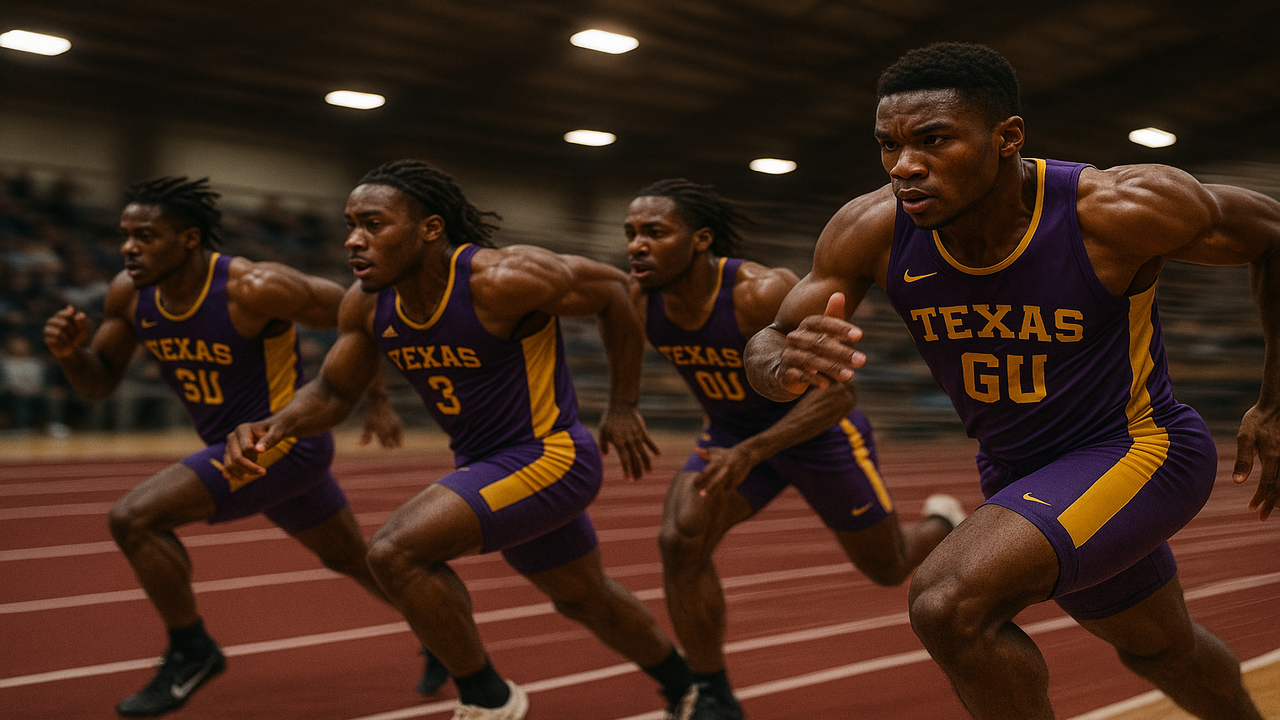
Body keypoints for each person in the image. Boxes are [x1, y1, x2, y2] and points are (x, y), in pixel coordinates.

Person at [743, 41, 1278, 720]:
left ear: (1006, 138)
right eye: (889, 145)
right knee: (1159, 649)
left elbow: (1271, 235)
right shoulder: (870, 229)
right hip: (1017, 471)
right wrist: (780, 367)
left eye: (933, 140)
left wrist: (1275, 401)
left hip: (1140, 449)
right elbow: (769, 342)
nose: (905, 166)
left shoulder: (1113, 208)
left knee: (947, 603)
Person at [222, 159, 695, 720]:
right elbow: (330, 393)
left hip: (551, 455)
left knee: (395, 551)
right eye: (351, 223)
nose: (354, 239)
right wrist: (275, 425)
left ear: (429, 229)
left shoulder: (502, 279)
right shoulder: (368, 303)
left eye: (374, 224)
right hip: (487, 464)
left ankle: (488, 698)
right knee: (582, 598)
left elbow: (615, 292)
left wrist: (622, 405)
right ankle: (686, 685)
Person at [43, 176, 417, 718]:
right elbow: (98, 383)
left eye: (146, 236)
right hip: (238, 451)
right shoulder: (129, 293)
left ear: (189, 239)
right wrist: (69, 354)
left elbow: (360, 314)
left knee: (134, 519)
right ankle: (441, 634)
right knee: (350, 559)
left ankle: (192, 649)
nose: (128, 247)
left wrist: (374, 396)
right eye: (125, 235)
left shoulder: (254, 287)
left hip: (281, 444)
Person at [624, 178, 966, 719]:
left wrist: (754, 450)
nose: (636, 245)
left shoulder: (759, 292)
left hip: (819, 433)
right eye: (631, 233)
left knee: (888, 567)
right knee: (679, 541)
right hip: (733, 437)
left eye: (654, 232)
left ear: (700, 240)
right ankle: (712, 692)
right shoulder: (640, 302)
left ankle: (941, 523)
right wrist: (621, 407)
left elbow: (838, 398)